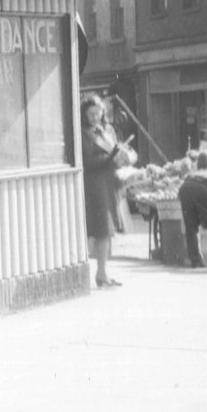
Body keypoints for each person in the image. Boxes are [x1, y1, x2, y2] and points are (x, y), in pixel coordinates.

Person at [81, 96, 132, 288]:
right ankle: (98, 274)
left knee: (107, 231)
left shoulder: (105, 130)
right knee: (100, 229)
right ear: (84, 115)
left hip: (109, 183)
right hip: (94, 185)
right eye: (91, 114)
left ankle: (102, 273)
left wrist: (123, 155)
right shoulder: (83, 133)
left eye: (98, 113)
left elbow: (113, 151)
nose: (95, 117)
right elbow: (87, 161)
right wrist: (111, 156)